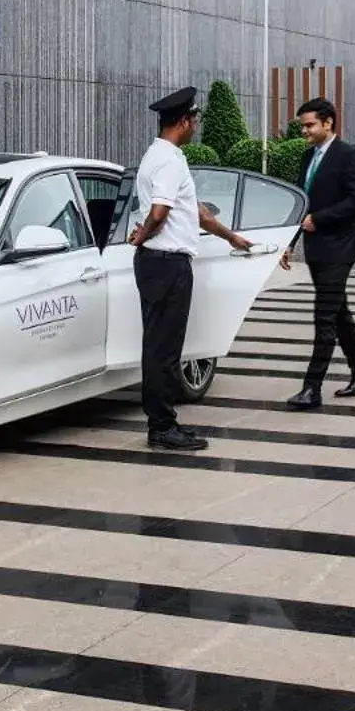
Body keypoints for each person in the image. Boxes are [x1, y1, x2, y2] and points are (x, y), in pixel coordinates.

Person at [129, 86, 253, 450]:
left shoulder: (159, 155)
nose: (196, 126)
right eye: (194, 120)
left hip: (160, 262)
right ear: (183, 121)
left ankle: (162, 422)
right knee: (162, 349)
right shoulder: (168, 160)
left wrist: (231, 237)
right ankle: (162, 426)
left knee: (160, 345)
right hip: (166, 264)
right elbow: (160, 212)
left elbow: (195, 211)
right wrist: (143, 235)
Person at [281, 97, 355, 410]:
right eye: (303, 126)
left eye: (309, 125)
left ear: (328, 122)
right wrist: (291, 242)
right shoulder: (308, 156)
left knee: (323, 317)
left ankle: (312, 388)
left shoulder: (350, 156)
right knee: (338, 314)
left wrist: (319, 220)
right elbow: (302, 204)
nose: (305, 131)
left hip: (339, 249)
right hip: (316, 250)